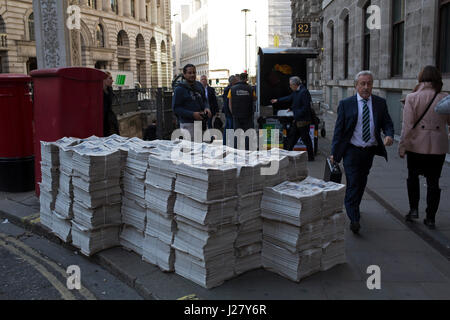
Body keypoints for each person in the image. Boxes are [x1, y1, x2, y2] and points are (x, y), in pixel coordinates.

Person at [331, 70, 394, 234]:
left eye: (369, 83)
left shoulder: (380, 103)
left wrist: (389, 135)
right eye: (363, 84)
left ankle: (355, 206)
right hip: (351, 150)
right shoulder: (346, 104)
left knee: (362, 181)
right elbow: (339, 131)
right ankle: (354, 218)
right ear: (356, 86)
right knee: (353, 182)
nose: (366, 87)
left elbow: (387, 122)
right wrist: (335, 153)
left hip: (369, 151)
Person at [398, 66, 450, 229]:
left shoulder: (412, 97)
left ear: (420, 78)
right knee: (433, 181)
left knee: (413, 177)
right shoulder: (445, 97)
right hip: (438, 147)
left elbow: (407, 126)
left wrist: (402, 145)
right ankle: (430, 217)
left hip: (415, 146)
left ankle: (413, 209)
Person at [271, 76, 315, 161]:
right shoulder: (296, 91)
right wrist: (278, 100)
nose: (290, 87)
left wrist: (296, 113)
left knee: (305, 139)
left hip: (303, 120)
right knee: (292, 137)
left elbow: (306, 107)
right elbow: (291, 98)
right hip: (298, 120)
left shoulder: (304, 92)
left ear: (295, 84)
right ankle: (287, 154)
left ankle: (310, 157)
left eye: (291, 85)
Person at [172, 64, 211, 140]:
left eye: (194, 72)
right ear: (184, 74)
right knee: (190, 150)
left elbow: (205, 100)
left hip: (201, 123)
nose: (192, 75)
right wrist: (192, 114)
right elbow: (176, 108)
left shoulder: (199, 85)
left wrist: (207, 108)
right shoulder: (179, 89)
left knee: (203, 149)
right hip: (187, 124)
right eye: (189, 73)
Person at [228, 73, 255, 149]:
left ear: (239, 78)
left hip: (236, 115)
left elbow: (229, 103)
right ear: (246, 79)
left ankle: (237, 150)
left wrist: (233, 113)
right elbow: (254, 99)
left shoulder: (232, 89)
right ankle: (247, 150)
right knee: (248, 133)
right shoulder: (250, 88)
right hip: (248, 114)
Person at [222, 75, 238, 144]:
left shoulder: (226, 89)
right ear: (233, 81)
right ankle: (230, 143)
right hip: (229, 111)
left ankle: (225, 142)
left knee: (227, 127)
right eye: (236, 80)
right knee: (230, 127)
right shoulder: (231, 89)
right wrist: (232, 112)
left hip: (226, 111)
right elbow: (230, 102)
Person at [103, 71, 120, 137]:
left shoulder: (110, 90)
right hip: (101, 119)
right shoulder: (97, 91)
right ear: (103, 80)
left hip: (110, 119)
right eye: (110, 78)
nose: (112, 80)